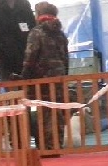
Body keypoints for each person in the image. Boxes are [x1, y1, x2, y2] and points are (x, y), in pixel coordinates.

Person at [20, 1, 68, 151]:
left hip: (41, 79)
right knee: (57, 111)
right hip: (58, 77)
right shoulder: (60, 34)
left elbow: (30, 56)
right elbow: (65, 58)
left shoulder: (36, 32)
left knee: (43, 111)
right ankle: (56, 145)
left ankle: (46, 147)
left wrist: (24, 76)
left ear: (39, 15)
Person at [0, 0, 36, 81]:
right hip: (5, 63)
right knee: (13, 93)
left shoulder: (24, 4)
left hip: (27, 60)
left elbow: (33, 29)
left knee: (31, 92)